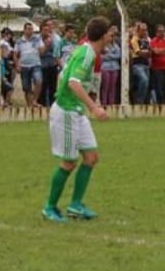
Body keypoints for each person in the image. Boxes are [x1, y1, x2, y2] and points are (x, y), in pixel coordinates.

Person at [41, 17, 112, 223]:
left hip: (76, 111)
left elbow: (64, 76)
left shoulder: (85, 50)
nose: (111, 36)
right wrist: (95, 108)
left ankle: (76, 206)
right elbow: (73, 83)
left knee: (91, 157)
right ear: (103, 35)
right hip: (67, 111)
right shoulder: (87, 54)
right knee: (70, 162)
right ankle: (50, 207)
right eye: (109, 32)